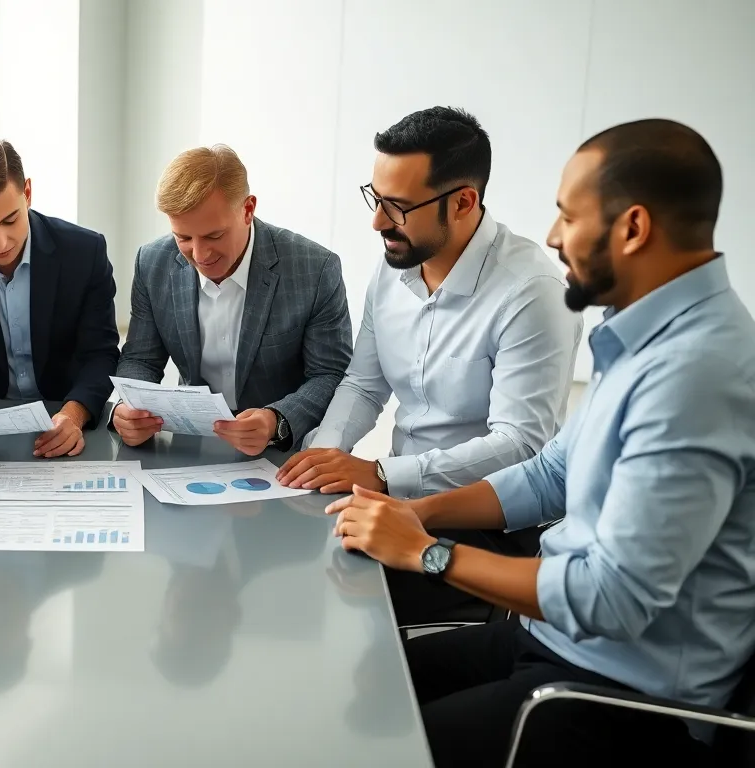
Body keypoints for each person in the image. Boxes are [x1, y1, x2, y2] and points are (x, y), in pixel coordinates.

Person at [328, 119, 755, 766]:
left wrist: (427, 553)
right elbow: (549, 475)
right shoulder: (646, 331)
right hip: (553, 637)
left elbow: (613, 599)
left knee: (367, 748)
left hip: (620, 695)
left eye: (568, 216)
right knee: (357, 690)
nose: (554, 237)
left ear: (634, 228)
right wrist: (416, 511)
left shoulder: (696, 373)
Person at [277, 107, 582, 625]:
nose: (377, 222)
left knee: (327, 591)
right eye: (375, 198)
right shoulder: (395, 260)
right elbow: (363, 383)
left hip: (484, 524)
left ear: (463, 202)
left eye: (397, 207)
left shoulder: (532, 293)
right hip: (400, 500)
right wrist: (323, 454)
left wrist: (380, 474)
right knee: (294, 552)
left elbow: (519, 445)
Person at [112, 144, 352, 455]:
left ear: (248, 210)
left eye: (214, 236)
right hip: (190, 445)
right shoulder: (152, 262)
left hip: (282, 449)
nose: (200, 255)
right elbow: (140, 359)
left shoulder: (314, 269)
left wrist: (277, 420)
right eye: (183, 238)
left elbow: (330, 374)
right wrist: (128, 407)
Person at [0, 136, 120, 458]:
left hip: (68, 416)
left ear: (27, 193)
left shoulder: (84, 252)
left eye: (10, 220)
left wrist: (74, 414)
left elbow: (99, 354)